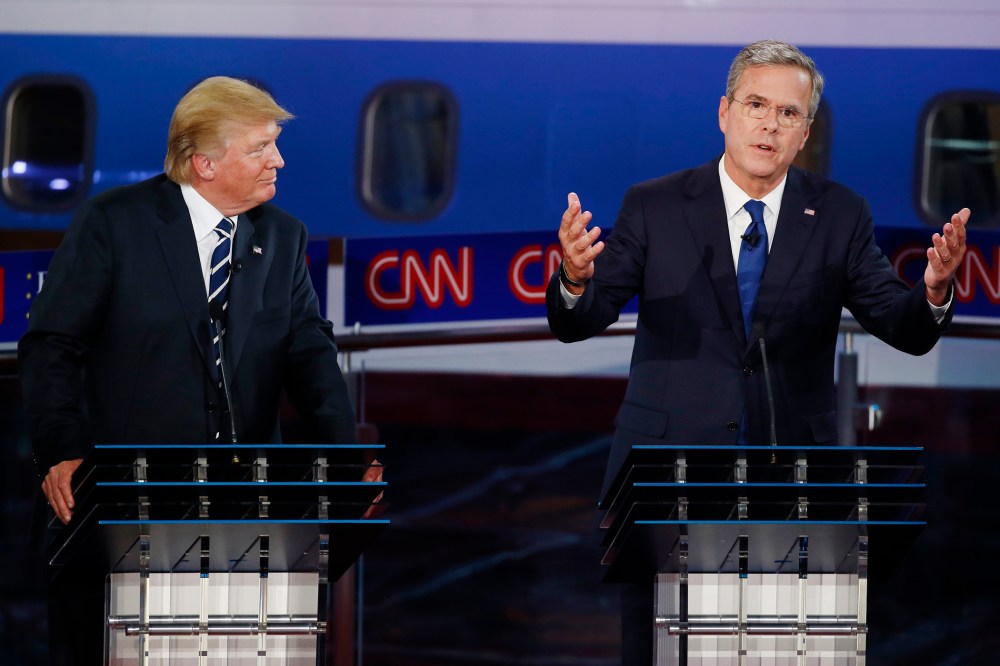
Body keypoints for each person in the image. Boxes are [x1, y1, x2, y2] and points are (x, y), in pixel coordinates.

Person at [546, 40, 969, 665]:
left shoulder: (839, 215)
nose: (770, 123)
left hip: (789, 489)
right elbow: (582, 320)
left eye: (789, 114)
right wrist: (575, 280)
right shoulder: (655, 205)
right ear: (725, 113)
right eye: (756, 104)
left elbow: (902, 325)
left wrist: (933, 290)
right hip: (668, 484)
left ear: (805, 134)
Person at [19, 76, 378, 664]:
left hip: (249, 521)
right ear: (204, 163)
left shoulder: (282, 238)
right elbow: (51, 344)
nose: (278, 160)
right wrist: (62, 449)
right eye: (261, 148)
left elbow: (309, 354)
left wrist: (342, 460)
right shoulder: (116, 224)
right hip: (127, 511)